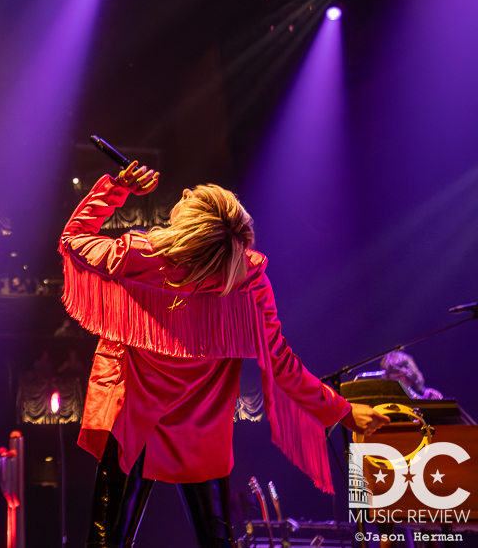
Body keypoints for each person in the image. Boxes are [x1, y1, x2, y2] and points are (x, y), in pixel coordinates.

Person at [60, 161, 390, 548]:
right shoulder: (246, 278)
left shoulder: (141, 257)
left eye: (192, 197)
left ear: (194, 224)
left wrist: (118, 188)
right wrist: (344, 411)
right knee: (216, 541)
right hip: (200, 428)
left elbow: (73, 239)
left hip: (135, 418)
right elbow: (281, 363)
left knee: (106, 541)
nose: (183, 193)